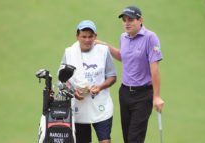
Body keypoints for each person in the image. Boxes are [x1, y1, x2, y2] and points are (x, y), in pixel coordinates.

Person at [96, 5, 164, 143]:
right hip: (125, 93)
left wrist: (156, 96)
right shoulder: (124, 37)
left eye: (130, 20)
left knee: (134, 138)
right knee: (127, 137)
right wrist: (104, 45)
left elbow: (154, 69)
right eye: (124, 20)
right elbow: (123, 57)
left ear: (140, 20)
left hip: (143, 95)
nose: (127, 23)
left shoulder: (150, 38)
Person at [59, 20, 117, 143]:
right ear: (77, 36)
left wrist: (100, 87)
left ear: (95, 36)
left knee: (105, 141)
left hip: (101, 105)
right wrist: (73, 91)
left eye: (90, 36)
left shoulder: (103, 51)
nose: (87, 40)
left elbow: (112, 76)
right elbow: (63, 79)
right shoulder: (69, 53)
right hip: (78, 107)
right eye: (83, 36)